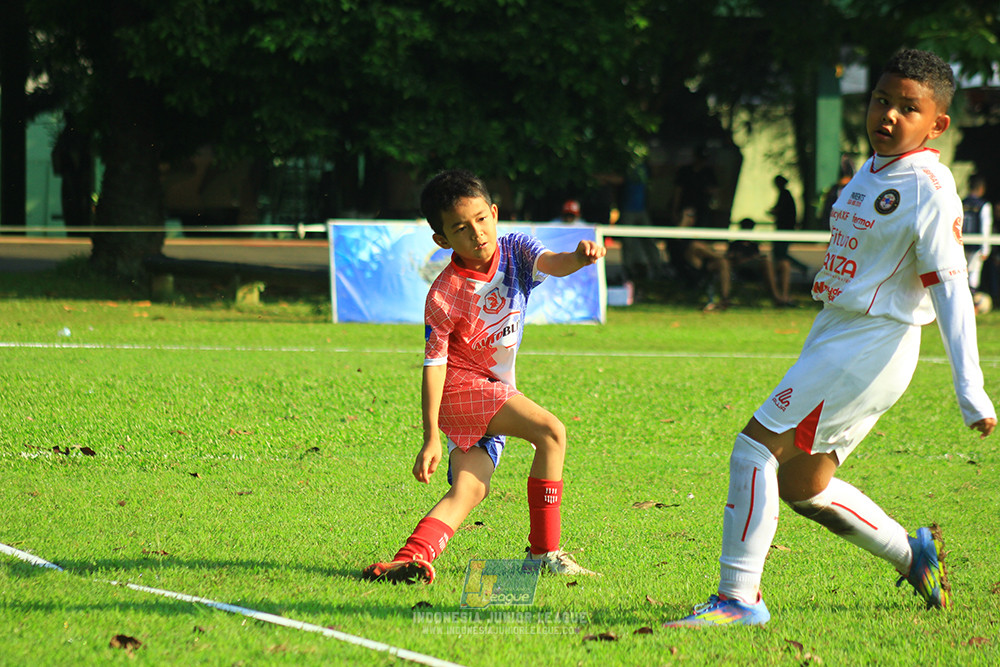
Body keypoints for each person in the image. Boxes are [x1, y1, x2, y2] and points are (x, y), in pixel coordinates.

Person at [665, 49, 996, 627]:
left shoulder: (928, 185)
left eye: (908, 108)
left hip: (873, 342)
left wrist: (971, 389)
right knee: (804, 485)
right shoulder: (872, 170)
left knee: (753, 450)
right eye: (881, 101)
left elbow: (949, 286)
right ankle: (912, 554)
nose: (888, 116)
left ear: (937, 124)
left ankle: (738, 599)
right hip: (837, 334)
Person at [362, 170, 605, 584]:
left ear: (494, 213)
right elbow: (434, 365)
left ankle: (406, 560)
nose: (475, 233)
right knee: (551, 432)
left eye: (480, 219)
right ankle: (544, 553)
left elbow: (555, 263)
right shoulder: (443, 293)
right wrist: (431, 436)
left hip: (493, 390)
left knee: (470, 490)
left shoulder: (517, 251)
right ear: (442, 240)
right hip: (463, 390)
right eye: (459, 227)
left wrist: (580, 259)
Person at [669, 206, 732, 310]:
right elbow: (678, 239)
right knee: (695, 245)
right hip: (685, 266)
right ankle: (722, 257)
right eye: (688, 216)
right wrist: (684, 219)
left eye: (692, 216)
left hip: (701, 265)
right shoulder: (674, 232)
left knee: (723, 262)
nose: (691, 218)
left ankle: (725, 299)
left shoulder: (697, 230)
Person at [727, 218, 793, 307]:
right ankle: (776, 297)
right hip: (745, 270)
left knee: (784, 264)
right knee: (766, 262)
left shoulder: (754, 245)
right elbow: (733, 260)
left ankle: (785, 296)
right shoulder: (735, 244)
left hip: (758, 268)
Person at [962, 175, 992, 293]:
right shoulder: (983, 205)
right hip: (976, 246)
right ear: (981, 189)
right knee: (973, 275)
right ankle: (972, 303)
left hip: (961, 244)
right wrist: (985, 249)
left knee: (962, 273)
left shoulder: (961, 202)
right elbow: (985, 227)